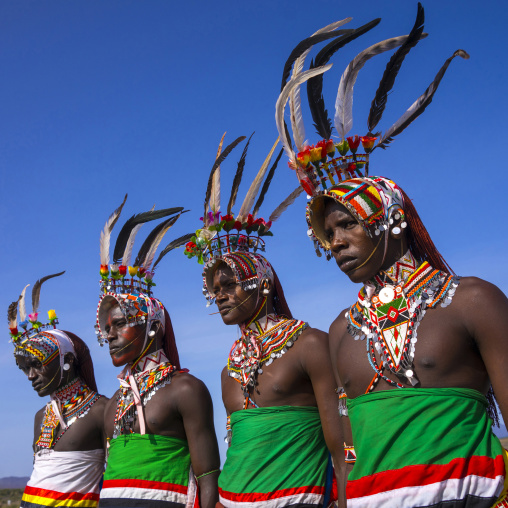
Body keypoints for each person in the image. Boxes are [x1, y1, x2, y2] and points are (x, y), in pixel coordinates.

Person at [276, 7, 508, 508]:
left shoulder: (471, 302)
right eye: (327, 232)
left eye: (347, 224)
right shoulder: (341, 330)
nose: (335, 241)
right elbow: (345, 456)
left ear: (389, 218)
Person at [185, 134, 345, 508]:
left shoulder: (310, 345)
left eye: (229, 284)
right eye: (213, 289)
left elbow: (343, 445)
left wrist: (346, 497)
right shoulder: (229, 371)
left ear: (263, 283)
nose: (219, 295)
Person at [95, 199, 220, 508]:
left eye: (120, 324)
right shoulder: (114, 403)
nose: (108, 335)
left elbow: (208, 480)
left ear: (153, 327)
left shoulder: (186, 390)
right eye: (106, 327)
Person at [9, 272, 107, 508]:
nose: (31, 376)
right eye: (24, 369)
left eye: (37, 364)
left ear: (68, 360)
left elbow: (115, 477)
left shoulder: (102, 409)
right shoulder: (40, 417)